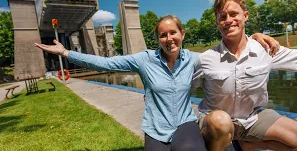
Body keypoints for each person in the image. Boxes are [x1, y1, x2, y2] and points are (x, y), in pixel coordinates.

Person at [35, 15, 277, 151]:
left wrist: (254, 37)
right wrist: (66, 53)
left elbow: (227, 55)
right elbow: (105, 64)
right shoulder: (144, 60)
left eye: (173, 33)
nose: (169, 38)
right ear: (158, 39)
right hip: (155, 128)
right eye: (163, 34)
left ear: (182, 34)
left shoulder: (196, 59)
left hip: (184, 122)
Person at [192, 0, 297, 151]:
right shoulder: (205, 59)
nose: (228, 20)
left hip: (252, 119)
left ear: (245, 16)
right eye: (222, 17)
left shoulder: (265, 50)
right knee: (220, 121)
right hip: (215, 123)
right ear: (217, 22)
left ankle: (249, 143)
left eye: (233, 14)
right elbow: (183, 90)